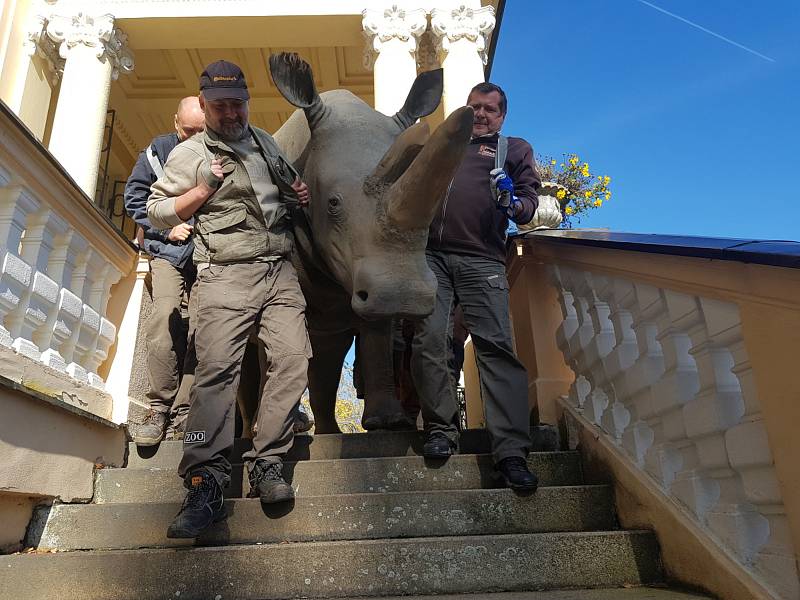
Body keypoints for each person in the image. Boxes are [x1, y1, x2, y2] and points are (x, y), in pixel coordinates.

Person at [147, 60, 312, 538]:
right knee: (216, 376)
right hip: (224, 274)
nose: (230, 112)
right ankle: (204, 481)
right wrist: (201, 190)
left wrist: (296, 192)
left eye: (237, 103)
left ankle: (268, 462)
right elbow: (156, 211)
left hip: (278, 270)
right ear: (203, 106)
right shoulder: (190, 152)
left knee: (293, 360)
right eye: (219, 105)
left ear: (246, 102)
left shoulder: (264, 140)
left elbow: (284, 188)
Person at [411, 82, 541, 491]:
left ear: (502, 116)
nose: (480, 114)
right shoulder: (444, 145)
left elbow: (528, 206)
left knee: (496, 348)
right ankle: (440, 430)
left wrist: (512, 203)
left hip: (482, 259)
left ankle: (511, 452)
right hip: (431, 255)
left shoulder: (513, 150)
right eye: (474, 107)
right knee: (430, 341)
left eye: (489, 109)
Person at [124, 96, 205, 446]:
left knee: (205, 329)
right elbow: (134, 199)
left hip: (208, 256)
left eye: (202, 130)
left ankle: (186, 413)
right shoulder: (157, 152)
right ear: (176, 124)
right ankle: (158, 408)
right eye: (189, 130)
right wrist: (164, 229)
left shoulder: (221, 154)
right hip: (169, 251)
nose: (196, 136)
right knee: (164, 318)